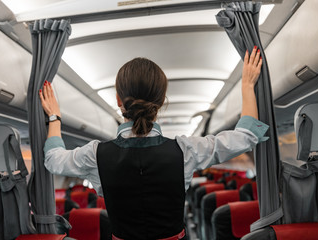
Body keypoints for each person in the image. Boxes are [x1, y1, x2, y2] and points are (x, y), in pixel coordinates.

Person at [39, 46, 266, 240]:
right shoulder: (185, 151)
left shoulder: (95, 154)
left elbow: (52, 159)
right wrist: (247, 85)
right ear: (160, 101)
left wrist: (54, 118)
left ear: (118, 100)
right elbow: (246, 136)